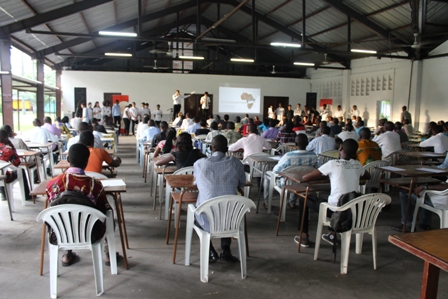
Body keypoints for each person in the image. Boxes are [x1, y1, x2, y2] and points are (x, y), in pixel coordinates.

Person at [46, 143, 120, 267]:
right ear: (86, 162)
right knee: (109, 215)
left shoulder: (53, 184)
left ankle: (67, 254)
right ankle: (108, 254)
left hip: (60, 234)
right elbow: (104, 211)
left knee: (63, 217)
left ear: (68, 159)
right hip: (90, 233)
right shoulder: (94, 185)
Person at [295, 139, 371, 247]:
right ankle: (332, 234)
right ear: (355, 153)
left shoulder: (332, 164)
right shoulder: (357, 165)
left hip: (336, 211)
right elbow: (368, 176)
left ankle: (304, 236)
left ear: (340, 149)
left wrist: (327, 174)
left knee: (304, 198)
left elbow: (306, 177)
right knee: (335, 200)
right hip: (353, 210)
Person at [194, 135, 246, 262]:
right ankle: (226, 250)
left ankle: (210, 251)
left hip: (206, 219)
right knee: (227, 207)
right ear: (227, 149)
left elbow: (197, 182)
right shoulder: (236, 163)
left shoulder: (199, 164)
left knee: (195, 214)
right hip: (230, 221)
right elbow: (242, 182)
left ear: (211, 148)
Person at [263, 134, 317, 209]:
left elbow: (276, 171)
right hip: (305, 183)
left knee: (267, 174)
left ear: (296, 144)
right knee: (296, 175)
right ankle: (292, 202)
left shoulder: (288, 156)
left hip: (286, 184)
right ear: (307, 143)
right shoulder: (314, 156)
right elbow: (317, 170)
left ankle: (267, 202)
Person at [0, 129, 31, 201]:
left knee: (2, 171)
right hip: (4, 177)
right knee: (21, 171)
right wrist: (12, 148)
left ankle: (4, 194)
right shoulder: (7, 149)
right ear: (5, 138)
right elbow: (16, 163)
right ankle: (26, 195)